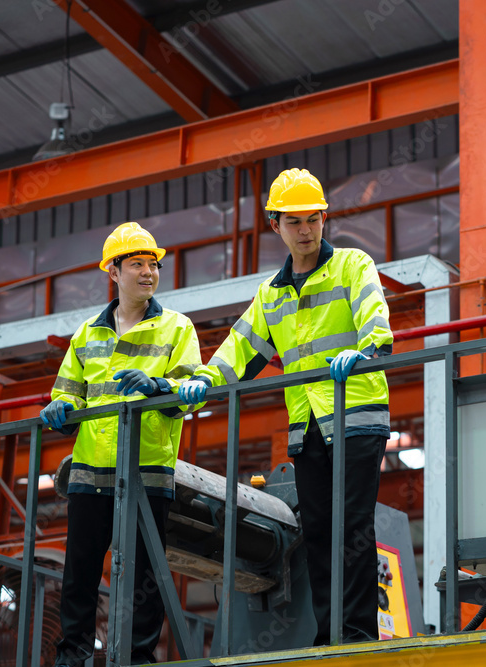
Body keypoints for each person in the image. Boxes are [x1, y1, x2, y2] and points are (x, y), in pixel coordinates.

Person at [179, 168, 393, 645]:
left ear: (324, 219)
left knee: (352, 525)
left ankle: (357, 635)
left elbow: (375, 319)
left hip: (356, 417)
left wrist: (366, 349)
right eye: (294, 221)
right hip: (308, 426)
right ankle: (329, 636)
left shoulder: (352, 265)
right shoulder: (271, 293)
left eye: (313, 219)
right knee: (316, 530)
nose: (306, 230)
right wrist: (203, 380)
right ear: (275, 225)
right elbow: (240, 349)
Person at [41, 222, 201, 666]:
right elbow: (68, 393)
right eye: (137, 264)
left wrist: (158, 387)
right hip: (91, 470)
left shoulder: (177, 328)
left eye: (153, 264)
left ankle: (136, 658)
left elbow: (191, 391)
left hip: (146, 469)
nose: (149, 272)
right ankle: (72, 655)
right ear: (113, 271)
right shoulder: (86, 335)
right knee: (80, 570)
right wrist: (60, 408)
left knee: (144, 575)